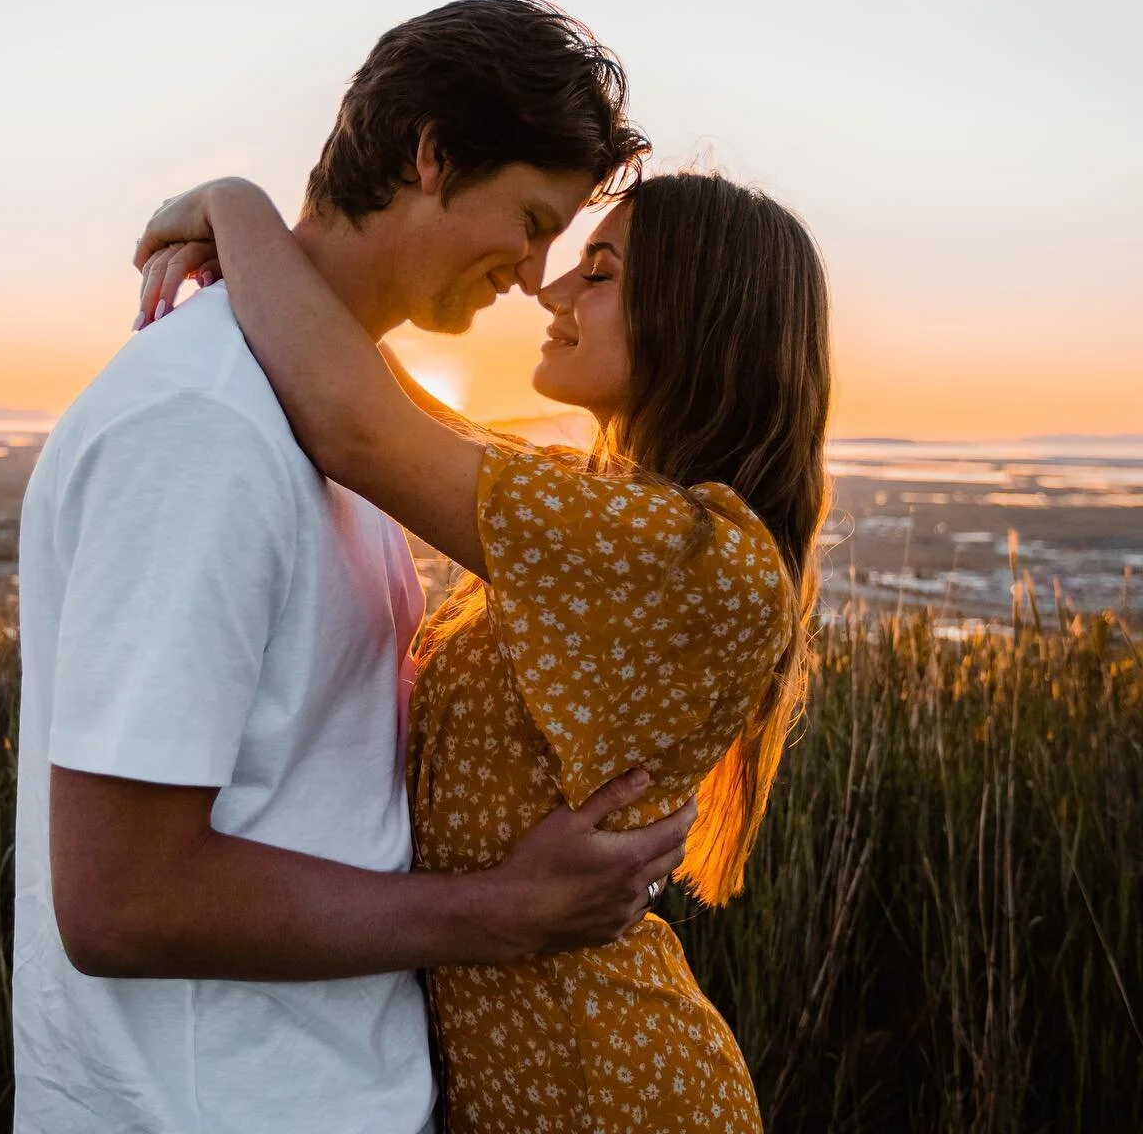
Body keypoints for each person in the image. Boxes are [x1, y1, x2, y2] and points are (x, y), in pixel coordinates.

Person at [12, 0, 698, 1134]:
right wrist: (499, 912)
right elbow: (121, 901)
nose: (535, 276)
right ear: (432, 154)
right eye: (530, 220)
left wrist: (238, 212)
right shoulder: (206, 427)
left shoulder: (331, 418)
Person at [131, 163, 832, 1132]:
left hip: (608, 1088)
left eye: (597, 268)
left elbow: (360, 428)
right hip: (531, 1074)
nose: (549, 288)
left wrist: (233, 204)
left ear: (699, 311)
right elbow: (399, 407)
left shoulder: (682, 547)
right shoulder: (609, 515)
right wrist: (270, 265)